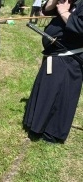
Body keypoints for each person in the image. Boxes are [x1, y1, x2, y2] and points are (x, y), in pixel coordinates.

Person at [23, 0, 83, 144]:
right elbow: (46, 10)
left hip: (70, 59)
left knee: (60, 95)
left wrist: (63, 12)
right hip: (56, 55)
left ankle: (51, 132)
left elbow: (81, 27)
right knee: (47, 90)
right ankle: (35, 124)